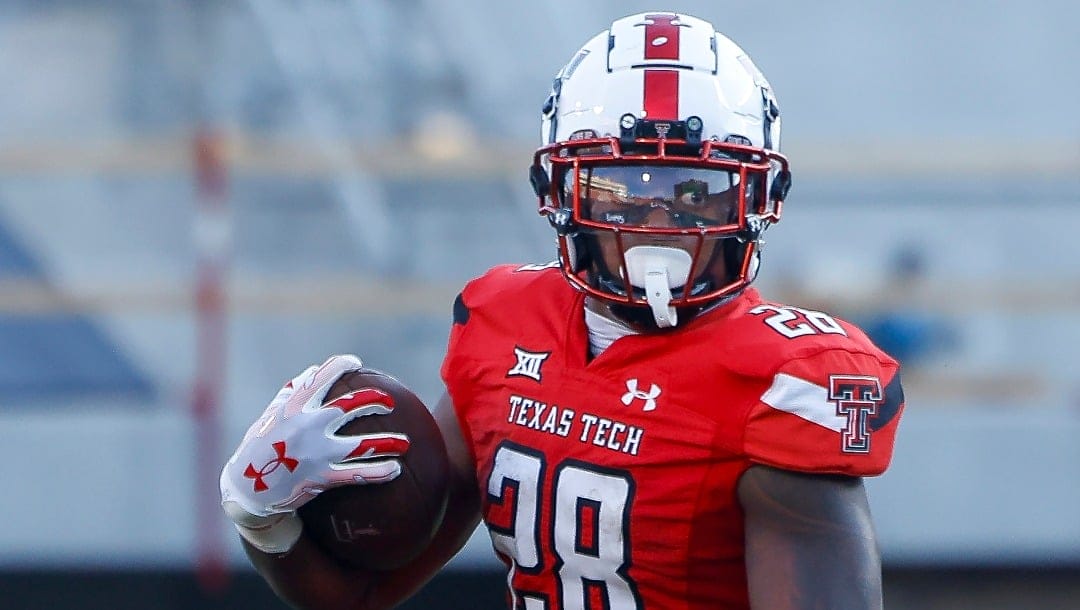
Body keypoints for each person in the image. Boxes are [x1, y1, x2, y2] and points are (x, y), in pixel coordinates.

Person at [219, 11, 905, 610]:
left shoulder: (782, 382)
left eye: (696, 192)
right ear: (560, 191)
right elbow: (362, 593)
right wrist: (265, 522)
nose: (656, 222)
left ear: (753, 199)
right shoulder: (502, 323)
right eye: (619, 190)